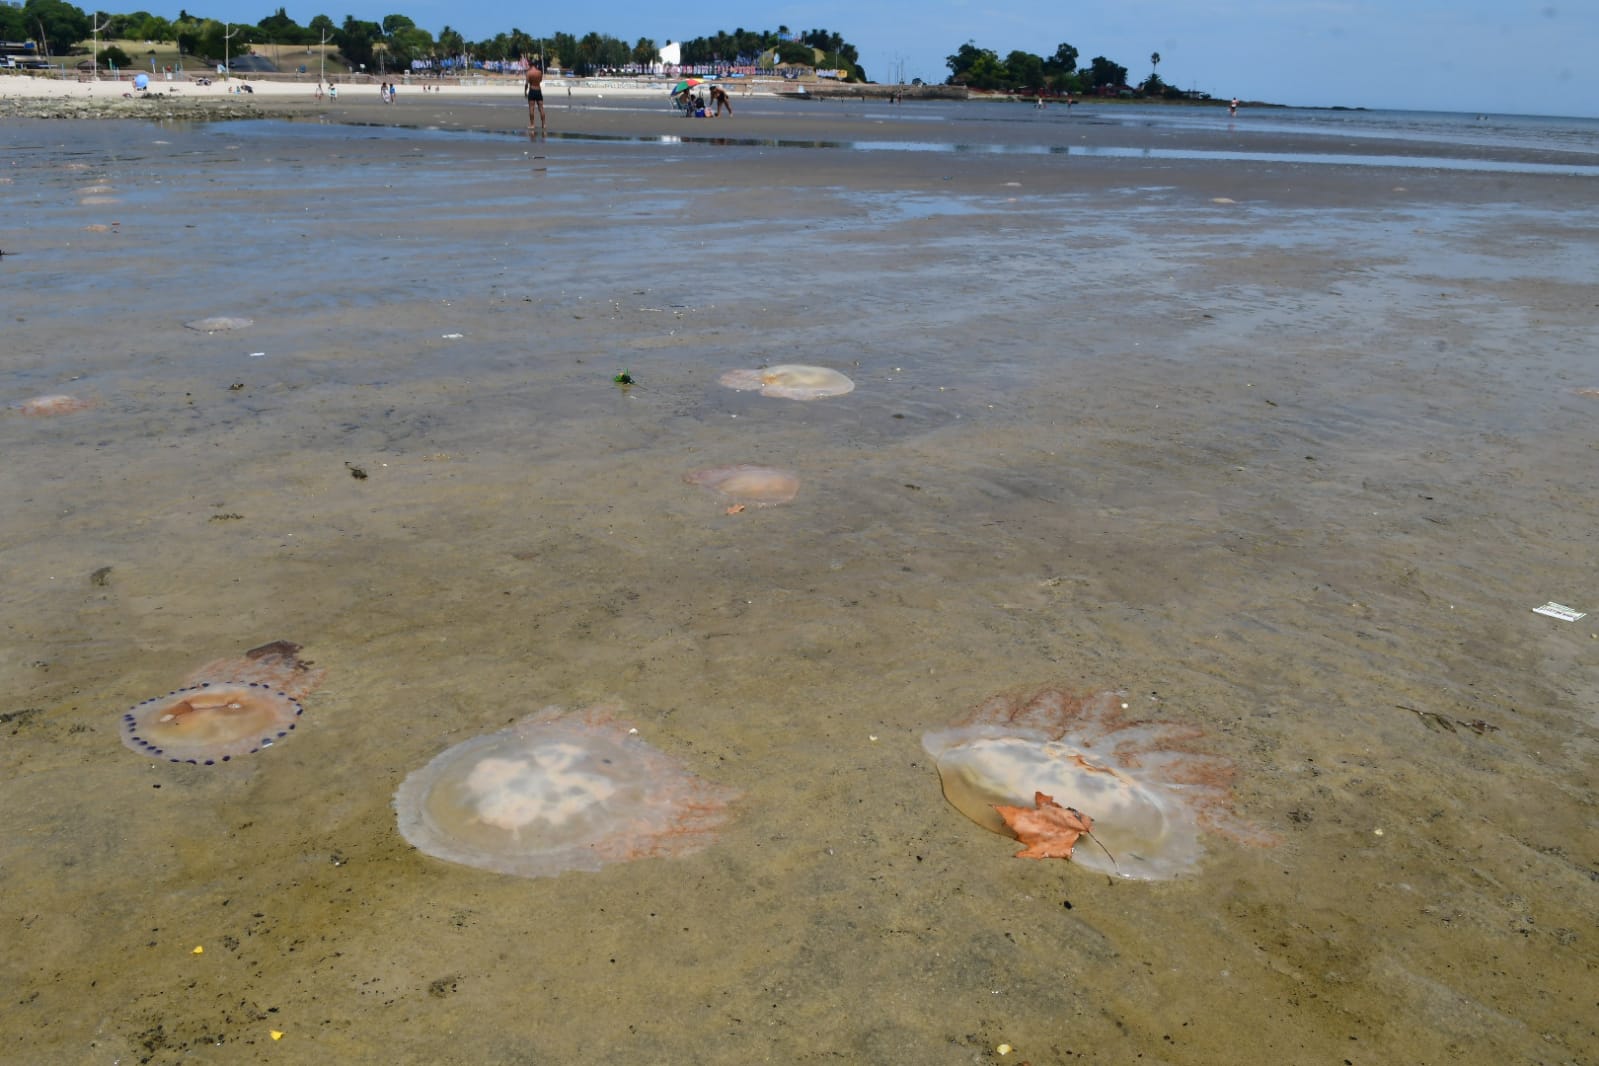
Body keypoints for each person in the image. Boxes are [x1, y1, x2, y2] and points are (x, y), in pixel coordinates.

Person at [524, 59, 546, 132]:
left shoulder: (528, 73)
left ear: (530, 65)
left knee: (531, 108)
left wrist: (525, 91)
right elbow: (540, 80)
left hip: (532, 90)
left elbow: (527, 83)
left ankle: (532, 124)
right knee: (541, 108)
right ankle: (544, 124)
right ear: (536, 65)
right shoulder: (539, 72)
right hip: (538, 90)